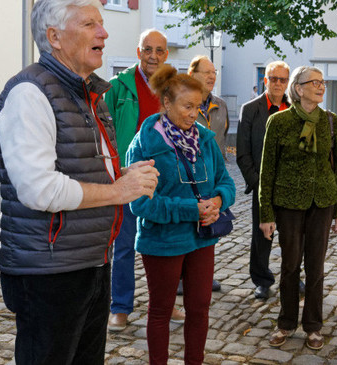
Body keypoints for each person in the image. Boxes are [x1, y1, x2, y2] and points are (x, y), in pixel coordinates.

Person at [0, 0, 159, 363]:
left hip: (91, 263)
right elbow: (39, 189)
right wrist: (118, 190)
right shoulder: (29, 93)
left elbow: (83, 169)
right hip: (50, 272)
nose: (104, 32)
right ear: (54, 37)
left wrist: (122, 176)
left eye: (101, 23)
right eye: (89, 24)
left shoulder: (88, 92)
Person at [127, 65, 236, 364]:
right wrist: (192, 209)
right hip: (162, 241)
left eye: (198, 106)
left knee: (200, 308)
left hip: (202, 239)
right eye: (187, 106)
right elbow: (141, 204)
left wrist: (216, 201)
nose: (194, 113)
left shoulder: (205, 139)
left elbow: (226, 183)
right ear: (166, 104)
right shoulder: (144, 144)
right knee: (161, 310)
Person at [259, 66, 337, 350]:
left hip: (322, 202)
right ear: (298, 88)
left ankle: (313, 326)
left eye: (323, 82)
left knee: (316, 267)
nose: (321, 86)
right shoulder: (279, 121)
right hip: (289, 205)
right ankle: (285, 322)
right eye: (315, 82)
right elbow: (266, 171)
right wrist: (266, 214)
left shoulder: (330, 121)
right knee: (289, 265)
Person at [105, 28, 186, 331]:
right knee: (124, 245)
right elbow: (105, 133)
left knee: (167, 245)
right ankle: (121, 307)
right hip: (131, 178)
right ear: (138, 52)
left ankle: (166, 305)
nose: (153, 55)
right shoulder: (118, 86)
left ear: (166, 55)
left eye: (159, 50)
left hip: (167, 180)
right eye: (147, 49)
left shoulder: (175, 88)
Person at [237, 61, 293, 299]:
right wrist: (258, 184)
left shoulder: (295, 110)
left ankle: (293, 277)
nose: (278, 83)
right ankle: (261, 280)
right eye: (273, 79)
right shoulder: (250, 110)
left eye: (282, 79)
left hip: (290, 187)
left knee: (293, 237)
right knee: (262, 238)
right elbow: (242, 153)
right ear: (265, 80)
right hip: (263, 185)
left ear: (288, 82)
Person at [188, 55, 229, 292]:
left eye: (214, 72)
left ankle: (204, 274)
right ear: (192, 75)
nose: (212, 76)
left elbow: (221, 137)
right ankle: (183, 276)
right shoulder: (182, 103)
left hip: (212, 176)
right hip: (188, 174)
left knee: (211, 224)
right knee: (189, 224)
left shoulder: (221, 105)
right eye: (207, 72)